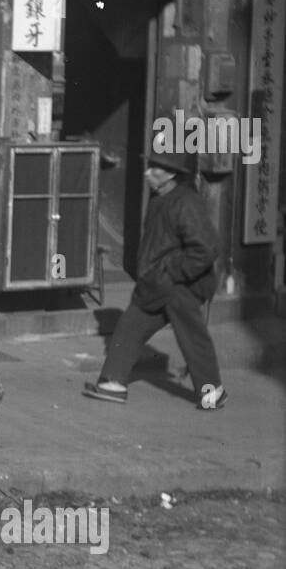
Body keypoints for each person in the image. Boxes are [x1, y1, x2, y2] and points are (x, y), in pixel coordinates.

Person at [84, 149, 226, 410]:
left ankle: (211, 391)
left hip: (178, 284)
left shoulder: (185, 202)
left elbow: (205, 248)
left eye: (155, 169)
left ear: (172, 173)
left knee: (191, 338)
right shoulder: (163, 197)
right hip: (157, 282)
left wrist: (172, 271)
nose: (148, 173)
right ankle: (112, 383)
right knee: (131, 325)